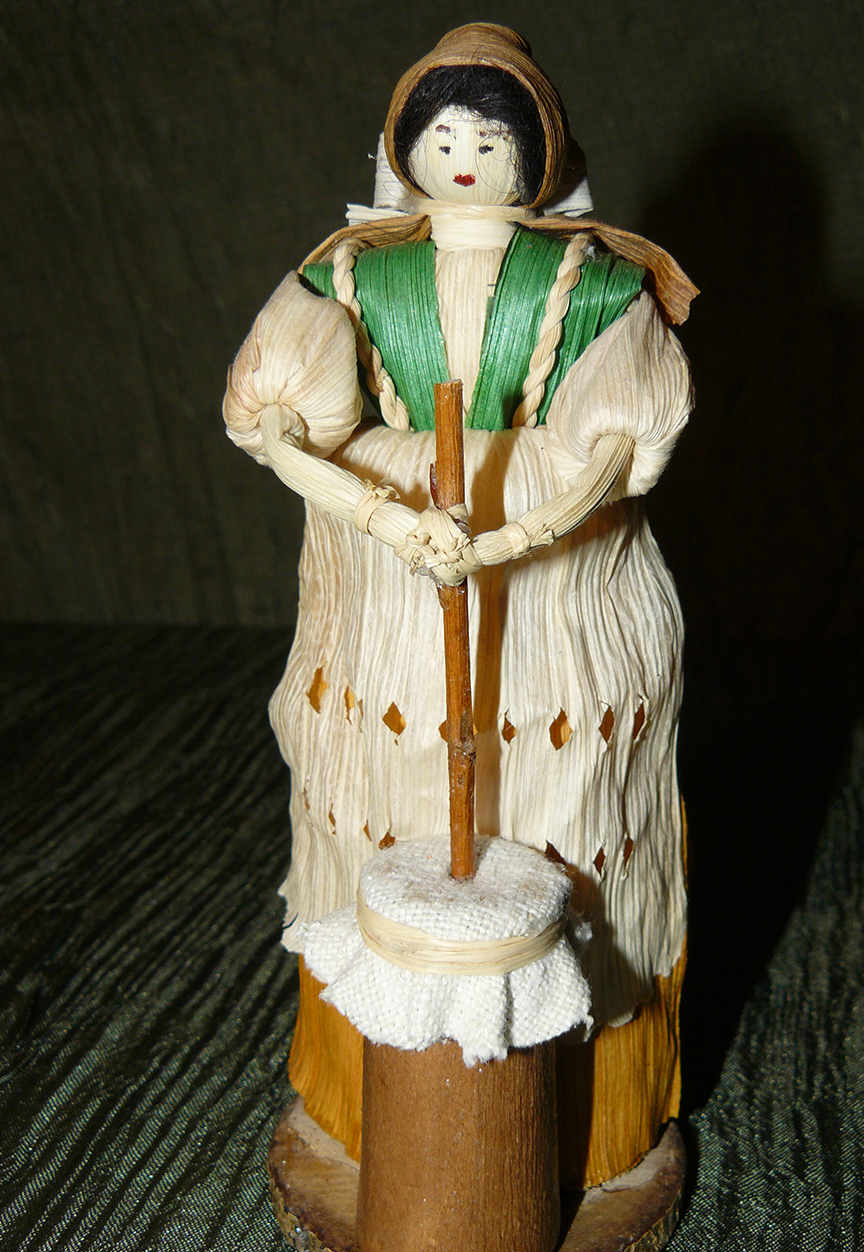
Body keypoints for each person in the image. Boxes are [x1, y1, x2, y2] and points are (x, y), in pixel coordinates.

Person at [223, 24, 696, 1187]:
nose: (466, 154)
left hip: (560, 586)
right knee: (380, 781)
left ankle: (580, 1114)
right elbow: (277, 424)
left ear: (539, 152)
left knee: (561, 792)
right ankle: (374, 1102)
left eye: (491, 134)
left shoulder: (599, 287)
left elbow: (616, 444)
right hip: (383, 579)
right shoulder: (350, 275)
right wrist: (387, 518)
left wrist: (517, 535)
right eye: (441, 133)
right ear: (404, 149)